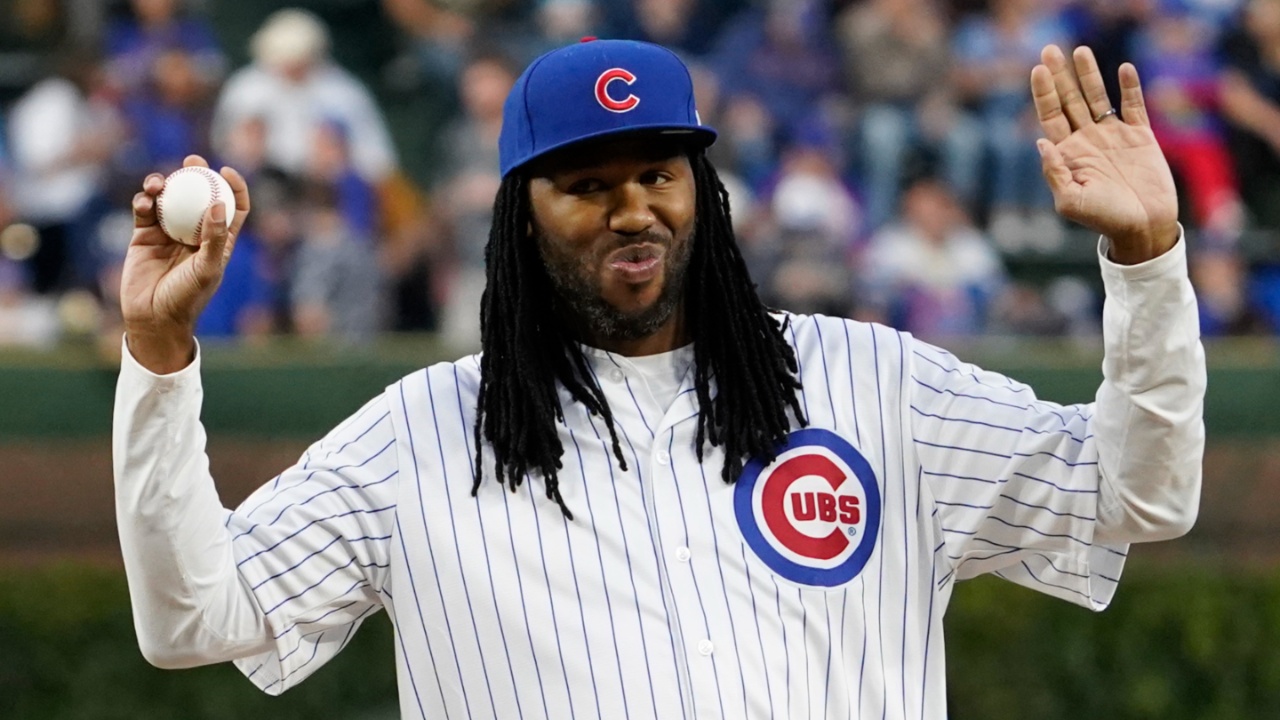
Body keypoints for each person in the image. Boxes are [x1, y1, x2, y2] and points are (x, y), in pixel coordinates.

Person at [114, 40, 1203, 718]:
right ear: (518, 218)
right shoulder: (420, 433)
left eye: (656, 172)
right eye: (584, 183)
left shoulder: (872, 384)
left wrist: (1147, 260)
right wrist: (158, 361)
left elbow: (1134, 496)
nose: (631, 207)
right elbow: (191, 620)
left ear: (701, 189)